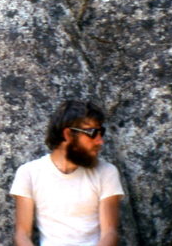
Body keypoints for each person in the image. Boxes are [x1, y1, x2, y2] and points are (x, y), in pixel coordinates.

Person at [10, 100, 125, 246]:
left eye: (101, 132)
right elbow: (22, 234)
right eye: (93, 132)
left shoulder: (106, 172)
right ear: (68, 134)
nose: (100, 141)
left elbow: (109, 232)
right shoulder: (29, 173)